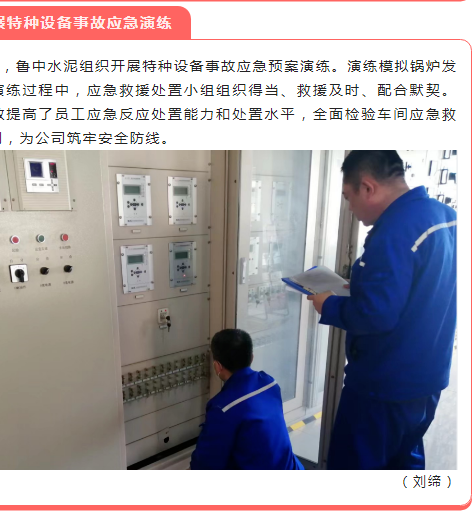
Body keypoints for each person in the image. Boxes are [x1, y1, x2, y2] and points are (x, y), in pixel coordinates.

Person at [307, 150, 457, 470]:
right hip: (427, 381)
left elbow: (376, 315)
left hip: (383, 387)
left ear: (368, 187)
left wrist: (328, 304)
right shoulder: (446, 216)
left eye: (348, 197)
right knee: (403, 465)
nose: (350, 208)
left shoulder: (394, 231)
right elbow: (420, 289)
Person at [190, 329, 304, 470]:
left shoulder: (223, 408)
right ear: (251, 358)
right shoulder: (270, 383)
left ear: (217, 366)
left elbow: (204, 464)